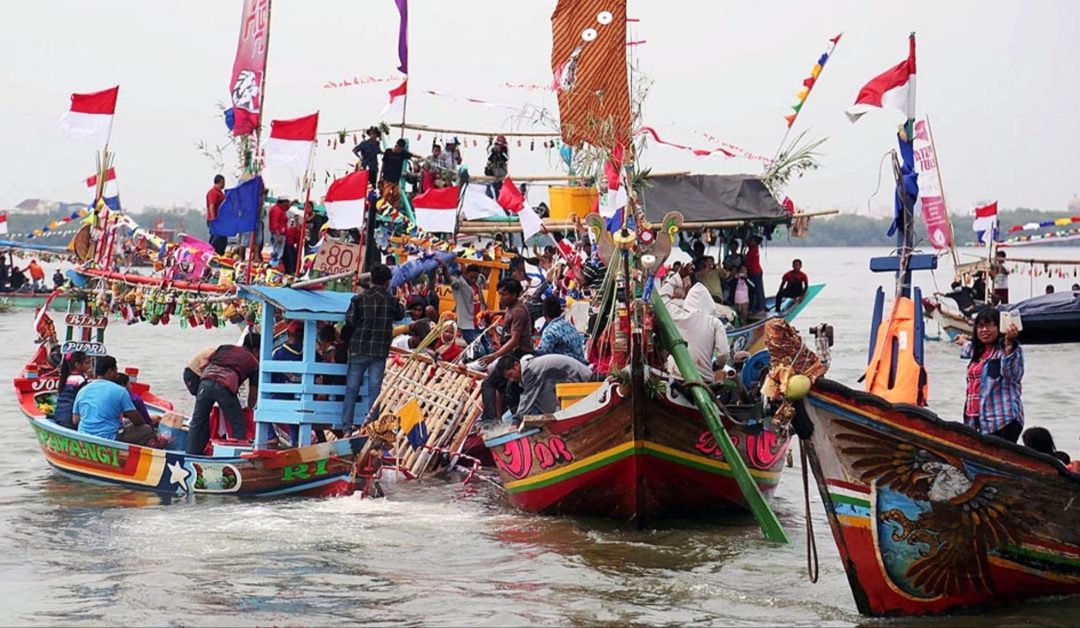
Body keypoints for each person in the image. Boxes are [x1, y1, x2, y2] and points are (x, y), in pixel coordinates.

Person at [341, 264, 404, 429]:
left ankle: (346, 427)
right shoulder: (391, 301)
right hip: (379, 351)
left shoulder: (358, 299)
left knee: (352, 389)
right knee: (374, 390)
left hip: (359, 349)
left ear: (372, 280)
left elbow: (350, 321)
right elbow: (400, 315)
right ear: (387, 282)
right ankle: (371, 427)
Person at [186, 333, 261, 454]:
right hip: (225, 387)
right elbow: (253, 393)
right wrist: (249, 408)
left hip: (205, 383)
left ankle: (192, 454)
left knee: (198, 421)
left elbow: (203, 365)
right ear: (256, 350)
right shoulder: (254, 363)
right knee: (238, 424)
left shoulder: (225, 347)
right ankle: (238, 455)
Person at [958, 308, 1023, 442]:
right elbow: (967, 349)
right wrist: (963, 341)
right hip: (976, 421)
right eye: (980, 326)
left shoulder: (1006, 350)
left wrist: (1009, 343)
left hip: (1002, 420)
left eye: (989, 326)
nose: (984, 330)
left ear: (999, 327)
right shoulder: (977, 352)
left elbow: (1013, 375)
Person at [73, 356, 153, 444]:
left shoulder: (83, 390)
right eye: (116, 371)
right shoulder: (120, 391)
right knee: (147, 429)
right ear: (110, 372)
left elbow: (76, 420)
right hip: (109, 438)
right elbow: (137, 420)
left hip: (84, 436)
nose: (117, 374)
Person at [494, 354, 594, 420]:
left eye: (510, 375)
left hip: (580, 378)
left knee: (536, 396)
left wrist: (516, 420)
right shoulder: (530, 369)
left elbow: (528, 396)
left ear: (516, 365)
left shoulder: (530, 370)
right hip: (569, 380)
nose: (511, 380)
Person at [664, 283, 730, 383]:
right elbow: (724, 354)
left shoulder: (679, 315)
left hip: (676, 374)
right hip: (703, 378)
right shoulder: (715, 323)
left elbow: (662, 300)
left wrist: (676, 278)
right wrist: (717, 365)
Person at [444, 263, 486, 344]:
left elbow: (483, 277)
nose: (473, 280)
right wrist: (445, 268)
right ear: (465, 274)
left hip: (479, 323)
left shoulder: (477, 282)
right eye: (471, 277)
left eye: (475, 278)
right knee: (477, 348)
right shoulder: (459, 285)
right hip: (467, 325)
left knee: (489, 347)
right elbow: (448, 279)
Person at [535, 295, 585, 363]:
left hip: (568, 370)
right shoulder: (570, 326)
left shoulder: (550, 331)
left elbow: (540, 355)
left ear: (544, 314)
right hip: (580, 366)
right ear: (560, 311)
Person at [52, 351, 89, 429]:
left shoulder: (67, 378)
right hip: (70, 418)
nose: (89, 366)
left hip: (59, 415)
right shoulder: (80, 379)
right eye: (87, 363)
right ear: (77, 365)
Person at [270, 321, 304, 399]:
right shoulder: (311, 353)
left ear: (288, 334)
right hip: (300, 397)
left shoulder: (278, 353)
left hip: (280, 397)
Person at [379, 139, 416, 210]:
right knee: (386, 194)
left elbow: (412, 155)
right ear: (396, 146)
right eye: (399, 148)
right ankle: (383, 208)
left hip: (396, 179)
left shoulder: (402, 153)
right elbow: (383, 164)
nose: (399, 150)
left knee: (397, 195)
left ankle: (395, 210)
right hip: (387, 177)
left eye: (401, 149)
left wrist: (420, 157)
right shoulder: (388, 152)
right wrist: (380, 175)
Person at [206, 174, 228, 255]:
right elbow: (212, 205)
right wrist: (213, 218)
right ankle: (211, 254)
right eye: (224, 182)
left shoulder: (220, 193)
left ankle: (220, 254)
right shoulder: (213, 192)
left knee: (223, 240)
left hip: (222, 221)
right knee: (216, 240)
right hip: (216, 220)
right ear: (220, 181)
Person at [745, 235, 767, 313]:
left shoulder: (753, 250)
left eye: (752, 241)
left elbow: (746, 260)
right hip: (754, 272)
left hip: (755, 272)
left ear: (755, 242)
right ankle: (759, 305)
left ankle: (761, 308)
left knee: (758, 290)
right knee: (755, 290)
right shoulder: (751, 249)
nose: (749, 242)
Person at [268, 197, 290, 268]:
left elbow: (287, 208)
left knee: (279, 252)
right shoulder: (276, 210)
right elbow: (275, 223)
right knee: (277, 252)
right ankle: (274, 266)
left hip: (281, 234)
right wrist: (278, 235)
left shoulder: (280, 209)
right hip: (278, 234)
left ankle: (276, 266)